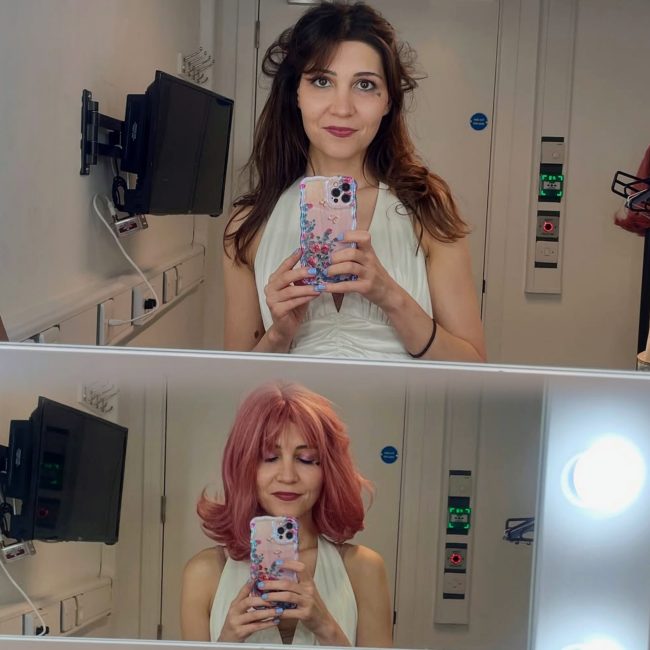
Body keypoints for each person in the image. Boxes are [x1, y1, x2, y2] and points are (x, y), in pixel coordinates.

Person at [223, 1, 486, 362]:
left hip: (403, 401)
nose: (342, 108)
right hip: (296, 402)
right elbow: (236, 382)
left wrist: (391, 297)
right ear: (295, 93)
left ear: (388, 101)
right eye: (321, 81)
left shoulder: (426, 206)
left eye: (364, 85)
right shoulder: (247, 226)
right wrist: (280, 334)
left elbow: (473, 367)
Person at [180, 381, 393, 647]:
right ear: (244, 466)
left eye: (306, 459)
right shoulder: (203, 574)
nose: (288, 476)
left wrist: (326, 628)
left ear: (327, 471)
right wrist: (227, 641)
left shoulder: (364, 569)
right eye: (270, 457)